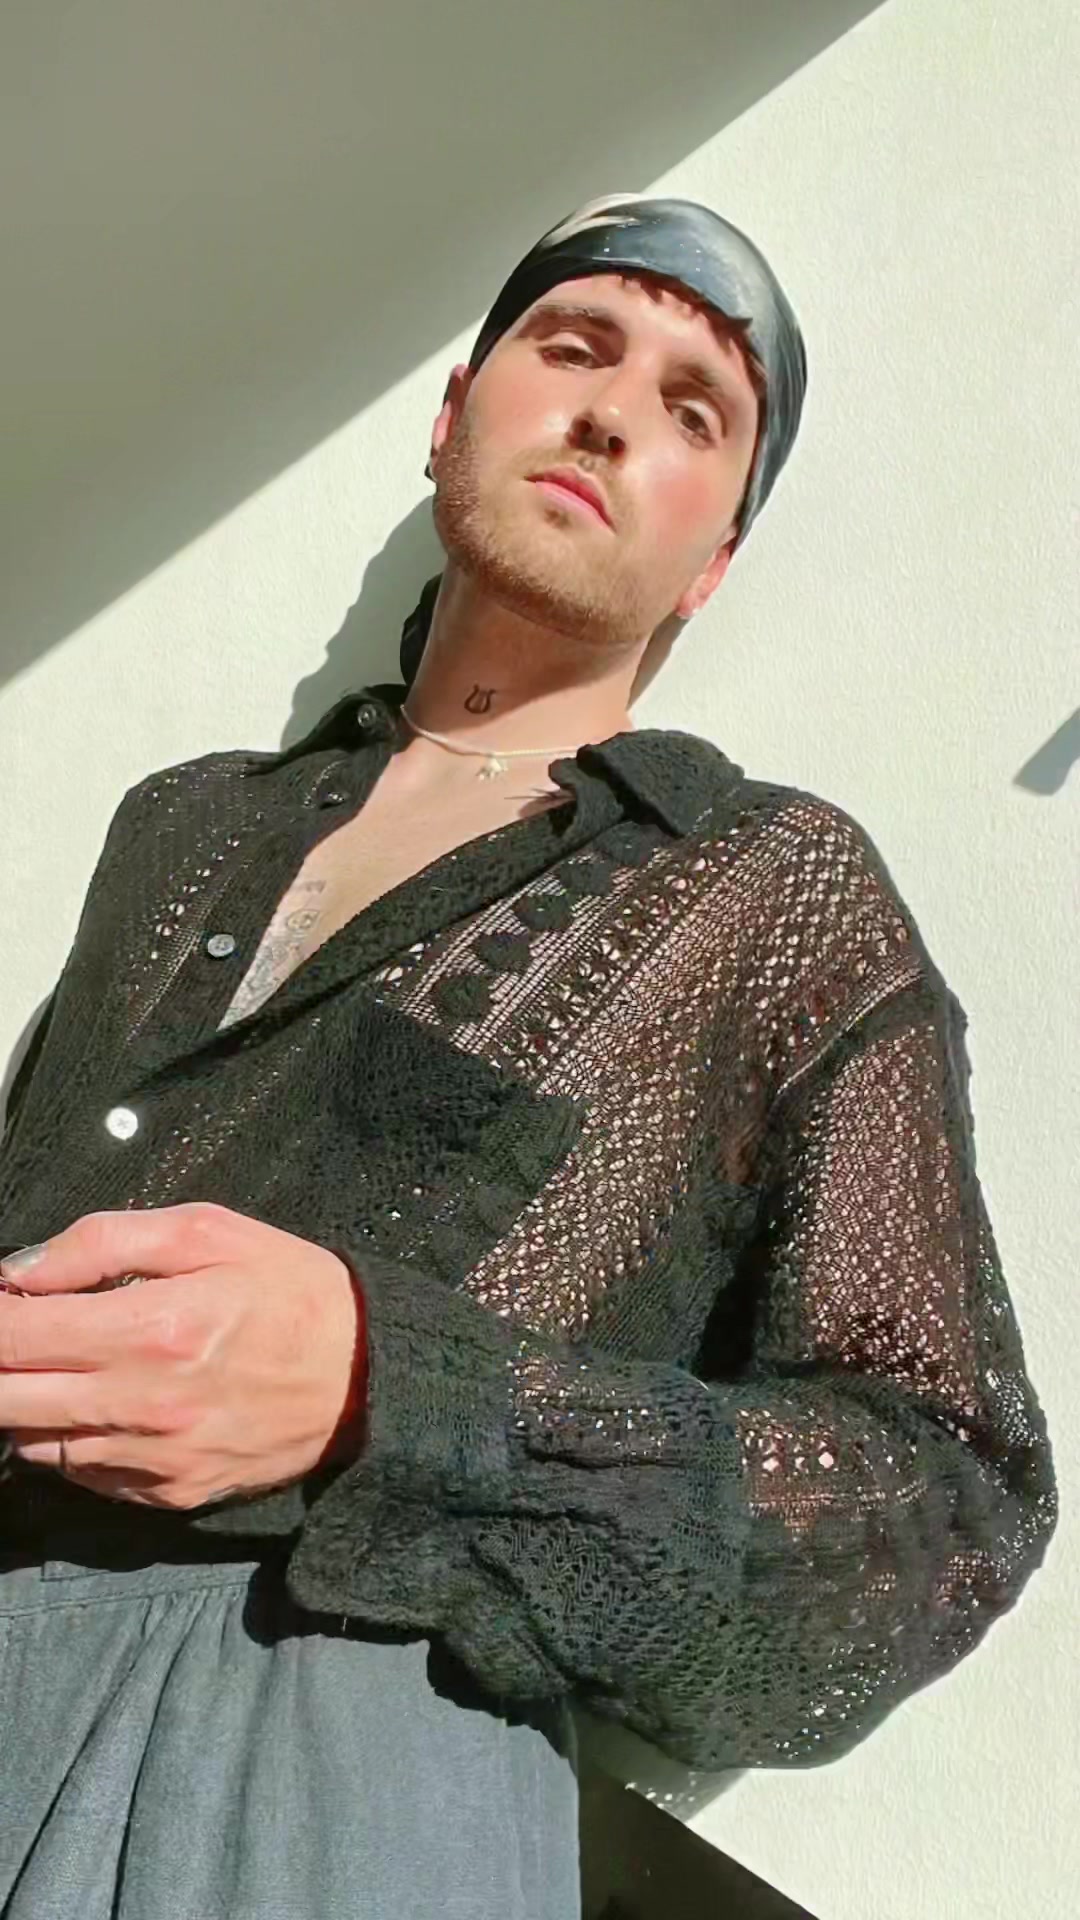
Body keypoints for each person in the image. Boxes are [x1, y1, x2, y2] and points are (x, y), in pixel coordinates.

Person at [0, 194, 1057, 1919]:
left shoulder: (769, 892)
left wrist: (391, 1390)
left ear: (710, 565)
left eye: (695, 409)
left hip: (328, 1742)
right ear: (451, 416)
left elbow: (940, 1509)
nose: (614, 411)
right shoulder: (180, 829)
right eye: (574, 346)